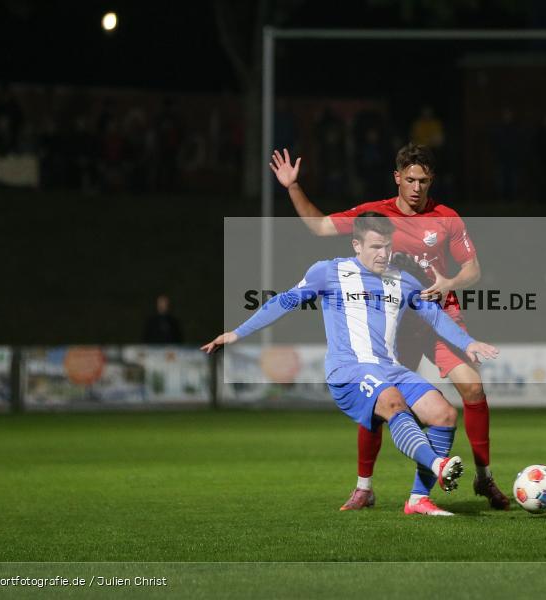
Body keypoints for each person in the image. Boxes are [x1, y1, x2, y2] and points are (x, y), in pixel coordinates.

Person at [202, 213, 500, 516]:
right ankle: (438, 465)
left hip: (391, 368)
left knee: (444, 413)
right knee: (393, 403)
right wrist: (238, 332)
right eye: (374, 247)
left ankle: (418, 500)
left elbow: (435, 317)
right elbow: (285, 301)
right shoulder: (329, 272)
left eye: (386, 246)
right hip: (349, 371)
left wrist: (468, 343)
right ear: (356, 245)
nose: (383, 254)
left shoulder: (403, 279)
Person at [269, 143, 512, 511]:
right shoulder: (374, 216)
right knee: (380, 402)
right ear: (397, 178)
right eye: (410, 179)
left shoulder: (446, 217)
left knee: (473, 388)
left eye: (424, 181)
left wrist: (447, 284)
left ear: (432, 182)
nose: (417, 188)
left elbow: (472, 270)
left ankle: (484, 478)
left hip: (439, 317)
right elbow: (319, 227)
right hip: (393, 325)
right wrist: (292, 187)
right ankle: (364, 487)